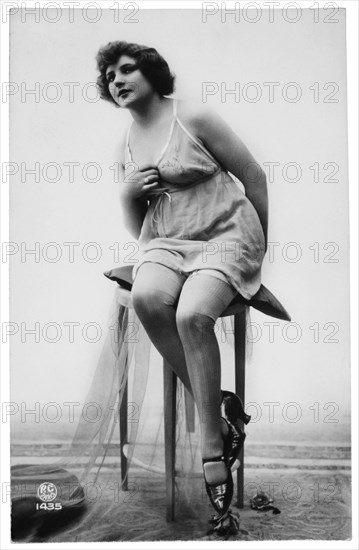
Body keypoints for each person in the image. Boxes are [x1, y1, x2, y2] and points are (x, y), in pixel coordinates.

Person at [96, 40, 268, 536]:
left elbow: (253, 175)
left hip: (225, 235)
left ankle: (213, 447)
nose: (118, 81)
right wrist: (130, 193)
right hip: (166, 240)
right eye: (110, 77)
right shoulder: (125, 142)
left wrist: (259, 249)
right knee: (150, 298)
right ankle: (221, 406)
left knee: (193, 314)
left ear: (152, 74)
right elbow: (138, 227)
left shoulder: (193, 116)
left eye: (127, 70)